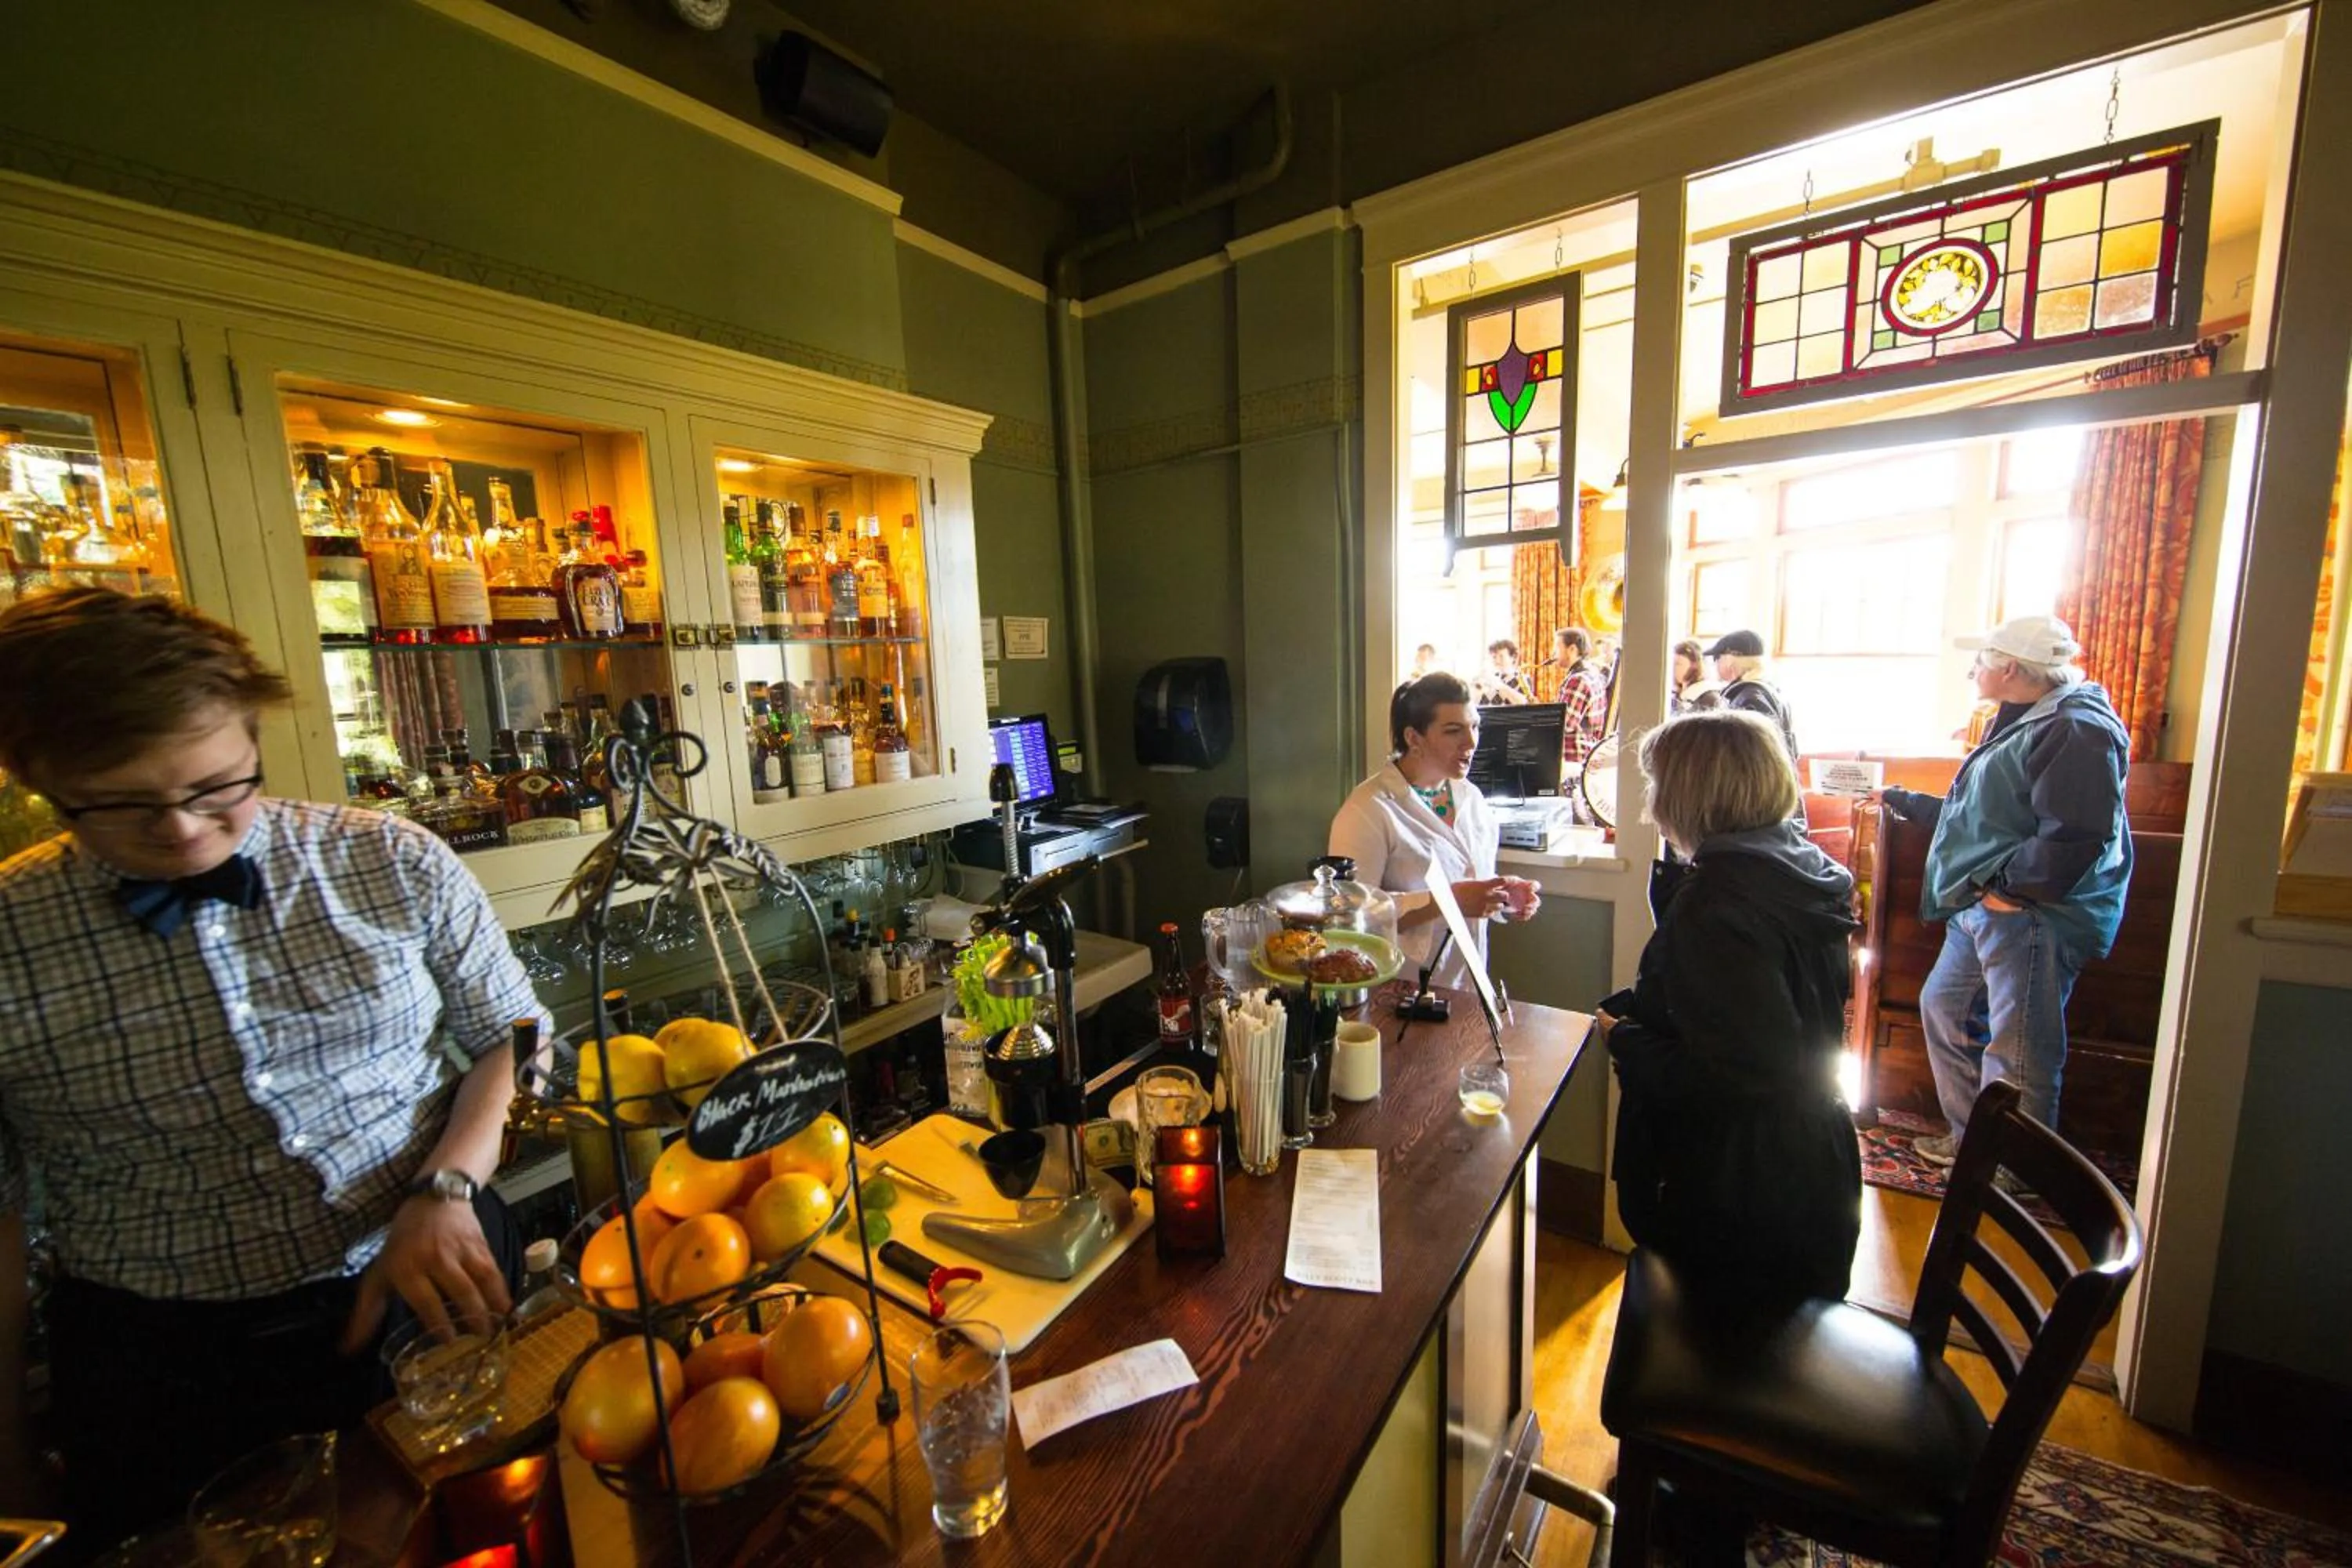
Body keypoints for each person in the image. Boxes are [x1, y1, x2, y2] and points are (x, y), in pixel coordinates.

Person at [0, 588, 548, 1554]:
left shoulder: (391, 859)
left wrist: (448, 1179)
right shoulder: (10, 934)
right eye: (125, 802)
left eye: (218, 787)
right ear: (34, 775)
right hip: (167, 1364)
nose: (182, 832)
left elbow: (514, 1035)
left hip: (438, 1287)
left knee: (500, 1532)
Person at [1598, 710, 1862, 1304]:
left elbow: (1743, 1074)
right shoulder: (1801, 871)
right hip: (1811, 1167)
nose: (1651, 801)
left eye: (1657, 784)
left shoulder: (1720, 907)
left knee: (1718, 1360)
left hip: (1740, 1196)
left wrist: (1625, 1039)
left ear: (1690, 795)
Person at [1878, 615, 2131, 1163]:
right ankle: (1975, 1146)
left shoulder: (2075, 727)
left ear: (2011, 667)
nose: (1973, 671)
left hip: (2030, 912)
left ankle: (2015, 1170)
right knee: (1945, 1007)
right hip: (1989, 904)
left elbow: (2079, 833)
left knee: (2020, 1050)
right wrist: (1914, 805)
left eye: (1981, 661)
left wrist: (2010, 893)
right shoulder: (2028, 716)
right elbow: (1994, 815)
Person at [1330, 674, 1542, 991]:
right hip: (1399, 994)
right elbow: (1349, 915)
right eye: (1454, 731)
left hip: (1467, 988)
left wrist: (1501, 892)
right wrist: (1446, 902)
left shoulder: (1471, 799)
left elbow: (1470, 880)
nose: (1471, 742)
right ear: (1414, 738)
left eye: (1475, 727)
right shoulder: (1367, 811)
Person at [1705, 630, 1798, 758]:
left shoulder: (1749, 699)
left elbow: (1751, 756)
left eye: (1717, 657)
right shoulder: (1768, 690)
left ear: (1730, 659)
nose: (1715, 664)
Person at [1552, 627, 1609, 767]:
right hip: (1585, 753)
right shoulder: (1592, 673)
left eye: (1557, 647)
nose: (1553, 653)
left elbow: (1564, 725)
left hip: (1574, 759)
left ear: (1572, 649)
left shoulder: (1578, 680)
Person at [1670, 637, 1721, 714]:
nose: (1673, 669)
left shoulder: (1708, 697)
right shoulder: (1675, 693)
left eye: (1678, 664)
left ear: (1695, 666)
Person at [1479, 639, 1534, 706]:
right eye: (1494, 657)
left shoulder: (1523, 678)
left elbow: (1526, 704)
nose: (1497, 660)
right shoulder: (1488, 680)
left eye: (1501, 656)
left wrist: (1500, 686)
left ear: (1513, 657)